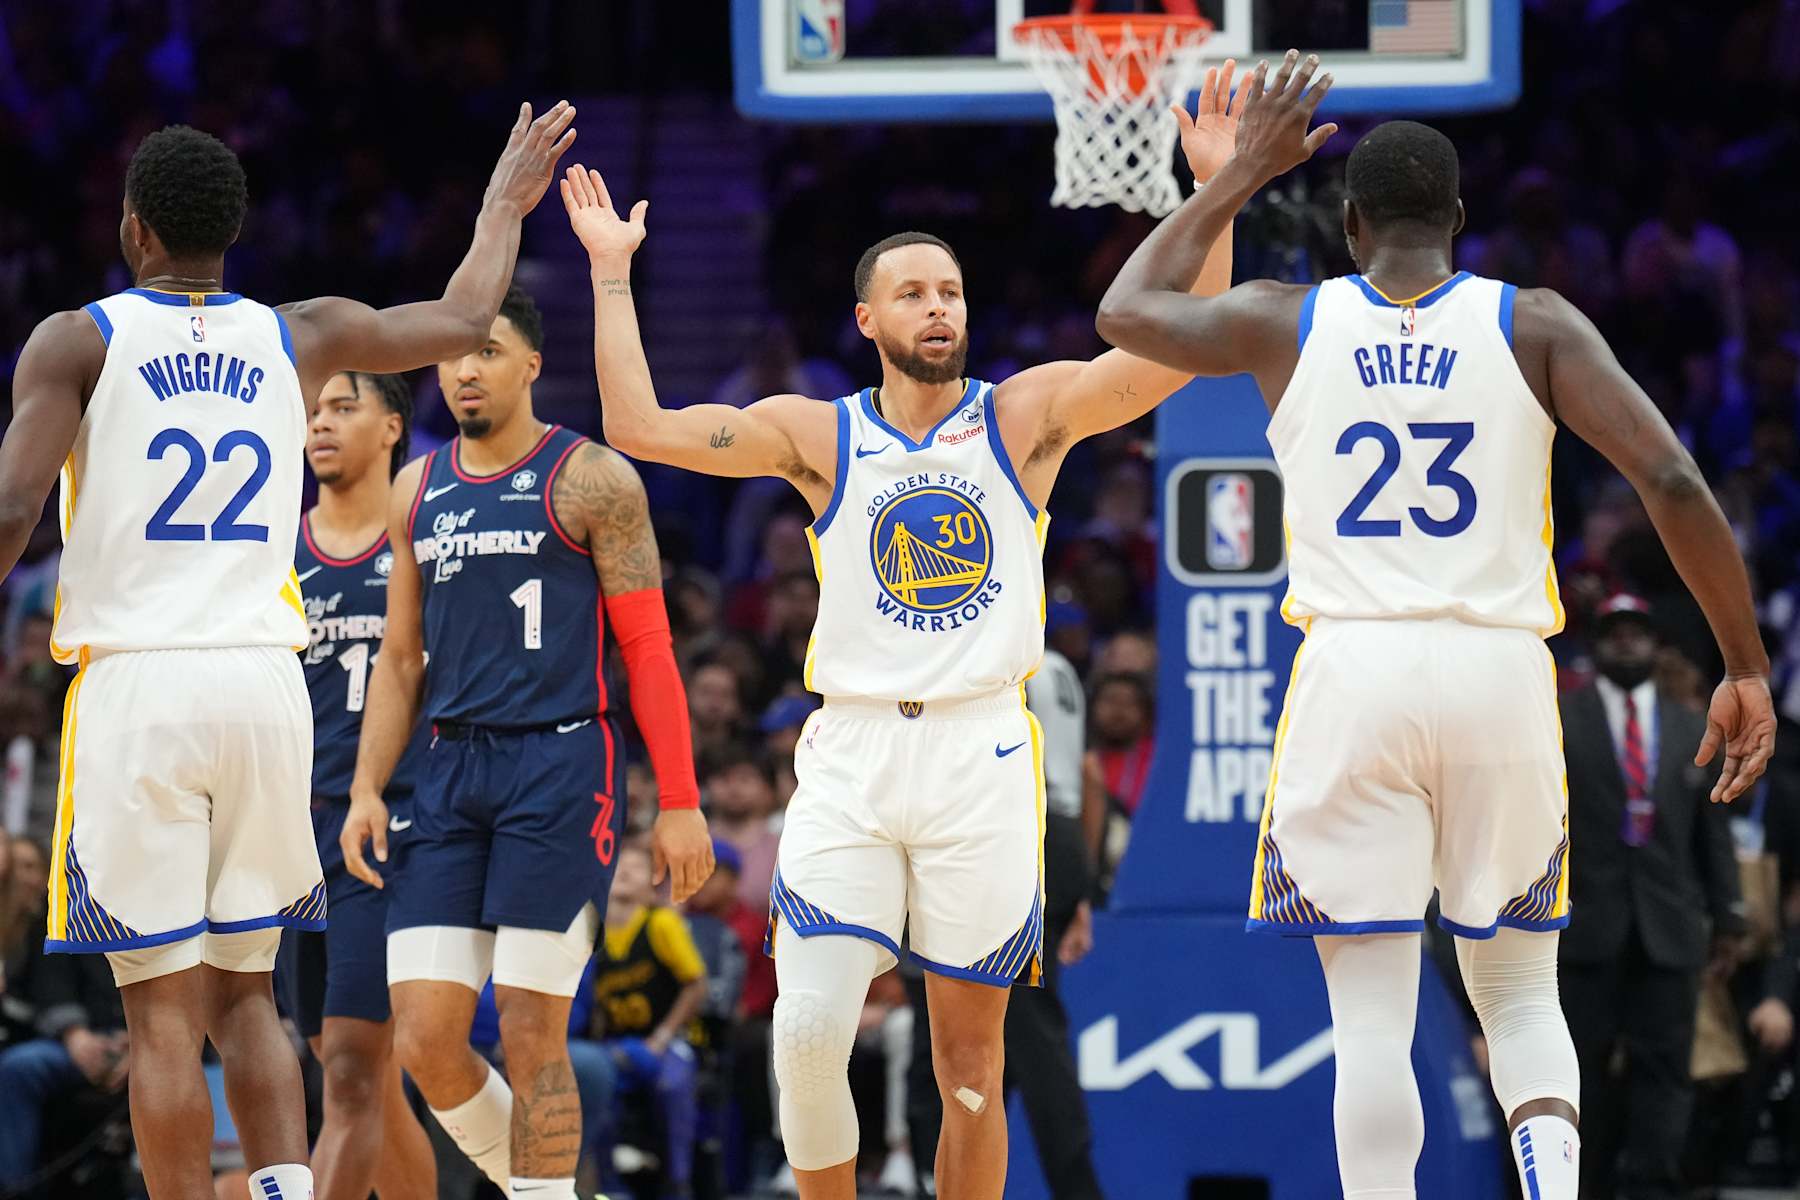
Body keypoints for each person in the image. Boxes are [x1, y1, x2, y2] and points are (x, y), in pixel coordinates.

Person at [560, 53, 1248, 1199]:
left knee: (969, 1067)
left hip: (982, 752)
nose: (942, 308)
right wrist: (614, 277)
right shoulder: (817, 433)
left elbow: (1180, 351)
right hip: (856, 752)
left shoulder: (1024, 416)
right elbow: (638, 425)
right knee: (809, 1037)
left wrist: (1212, 190)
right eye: (918, 293)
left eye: (955, 292)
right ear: (870, 318)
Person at [1093, 54, 1778, 1200]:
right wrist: (1744, 662)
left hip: (1351, 671)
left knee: (1368, 1011)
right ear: (1457, 221)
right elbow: (1667, 475)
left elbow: (1123, 312)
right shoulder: (1538, 323)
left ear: (1350, 223)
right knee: (1517, 993)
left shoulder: (1281, 320)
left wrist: (1236, 180)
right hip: (1497, 672)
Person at [0, 103, 580, 1200]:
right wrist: (502, 203)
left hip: (143, 683)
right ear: (234, 233)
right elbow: (463, 316)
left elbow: (14, 506)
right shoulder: (299, 332)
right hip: (268, 688)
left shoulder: (77, 339)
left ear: (133, 231)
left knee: (163, 1015)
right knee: (248, 1000)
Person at [342, 285, 714, 1200]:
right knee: (425, 1038)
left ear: (532, 365)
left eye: (489, 352)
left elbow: (651, 650)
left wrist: (679, 800)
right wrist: (364, 788)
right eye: (455, 356)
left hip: (560, 767)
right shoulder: (415, 487)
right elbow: (398, 659)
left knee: (530, 1025)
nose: (466, 370)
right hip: (447, 770)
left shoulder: (593, 479)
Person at [289, 369, 436, 1200]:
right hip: (289, 828)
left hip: (385, 827)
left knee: (348, 1071)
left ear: (390, 428)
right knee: (360, 1078)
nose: (321, 424)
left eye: (344, 408)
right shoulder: (276, 547)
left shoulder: (419, 544)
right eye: (314, 412)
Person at [1557, 594, 1745, 1200]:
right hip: (1583, 927)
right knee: (1579, 1074)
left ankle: (1653, 1192)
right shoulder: (1559, 719)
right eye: (1615, 632)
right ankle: (1576, 1189)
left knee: (1665, 1074)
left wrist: (1730, 917)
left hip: (1669, 929)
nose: (1627, 643)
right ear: (1596, 643)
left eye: (1638, 632)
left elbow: (1712, 835)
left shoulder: (1692, 725)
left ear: (1656, 644)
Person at [590, 839, 709, 1198]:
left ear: (652, 884)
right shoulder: (592, 932)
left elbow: (696, 985)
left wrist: (662, 1036)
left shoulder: (661, 923)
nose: (624, 871)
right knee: (594, 1084)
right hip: (618, 1044)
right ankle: (608, 1186)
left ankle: (678, 1183)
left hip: (671, 1039)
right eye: (618, 865)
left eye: (637, 867)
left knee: (672, 1085)